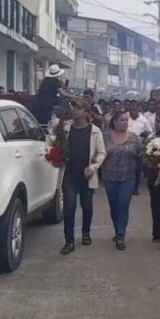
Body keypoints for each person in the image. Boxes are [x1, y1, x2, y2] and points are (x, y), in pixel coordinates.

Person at [60, 102, 106, 255]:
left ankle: (86, 233)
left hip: (87, 176)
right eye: (73, 108)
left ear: (87, 113)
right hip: (69, 176)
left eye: (78, 108)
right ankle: (69, 241)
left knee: (87, 206)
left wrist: (93, 167)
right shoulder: (66, 129)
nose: (74, 111)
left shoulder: (95, 131)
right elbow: (56, 147)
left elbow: (101, 153)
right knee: (69, 208)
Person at [101, 109, 142, 251]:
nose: (125, 123)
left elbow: (141, 156)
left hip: (128, 177)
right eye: (122, 120)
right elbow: (98, 154)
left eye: (126, 120)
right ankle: (117, 229)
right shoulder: (105, 137)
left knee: (123, 205)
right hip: (109, 177)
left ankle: (120, 236)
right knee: (114, 207)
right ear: (115, 122)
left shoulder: (134, 138)